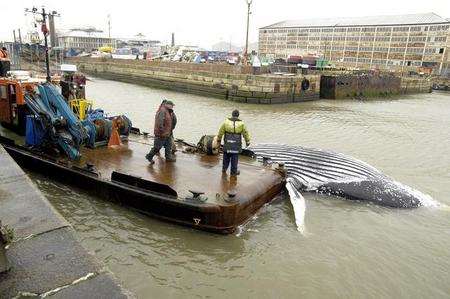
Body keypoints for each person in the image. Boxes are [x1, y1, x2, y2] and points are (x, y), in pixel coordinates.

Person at [217, 109, 250, 176]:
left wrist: (218, 140)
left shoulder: (226, 123)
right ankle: (233, 172)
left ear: (232, 114)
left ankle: (224, 169)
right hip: (236, 145)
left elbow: (220, 132)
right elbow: (245, 133)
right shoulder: (242, 124)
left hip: (227, 144)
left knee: (226, 157)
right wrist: (247, 142)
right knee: (234, 159)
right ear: (238, 115)